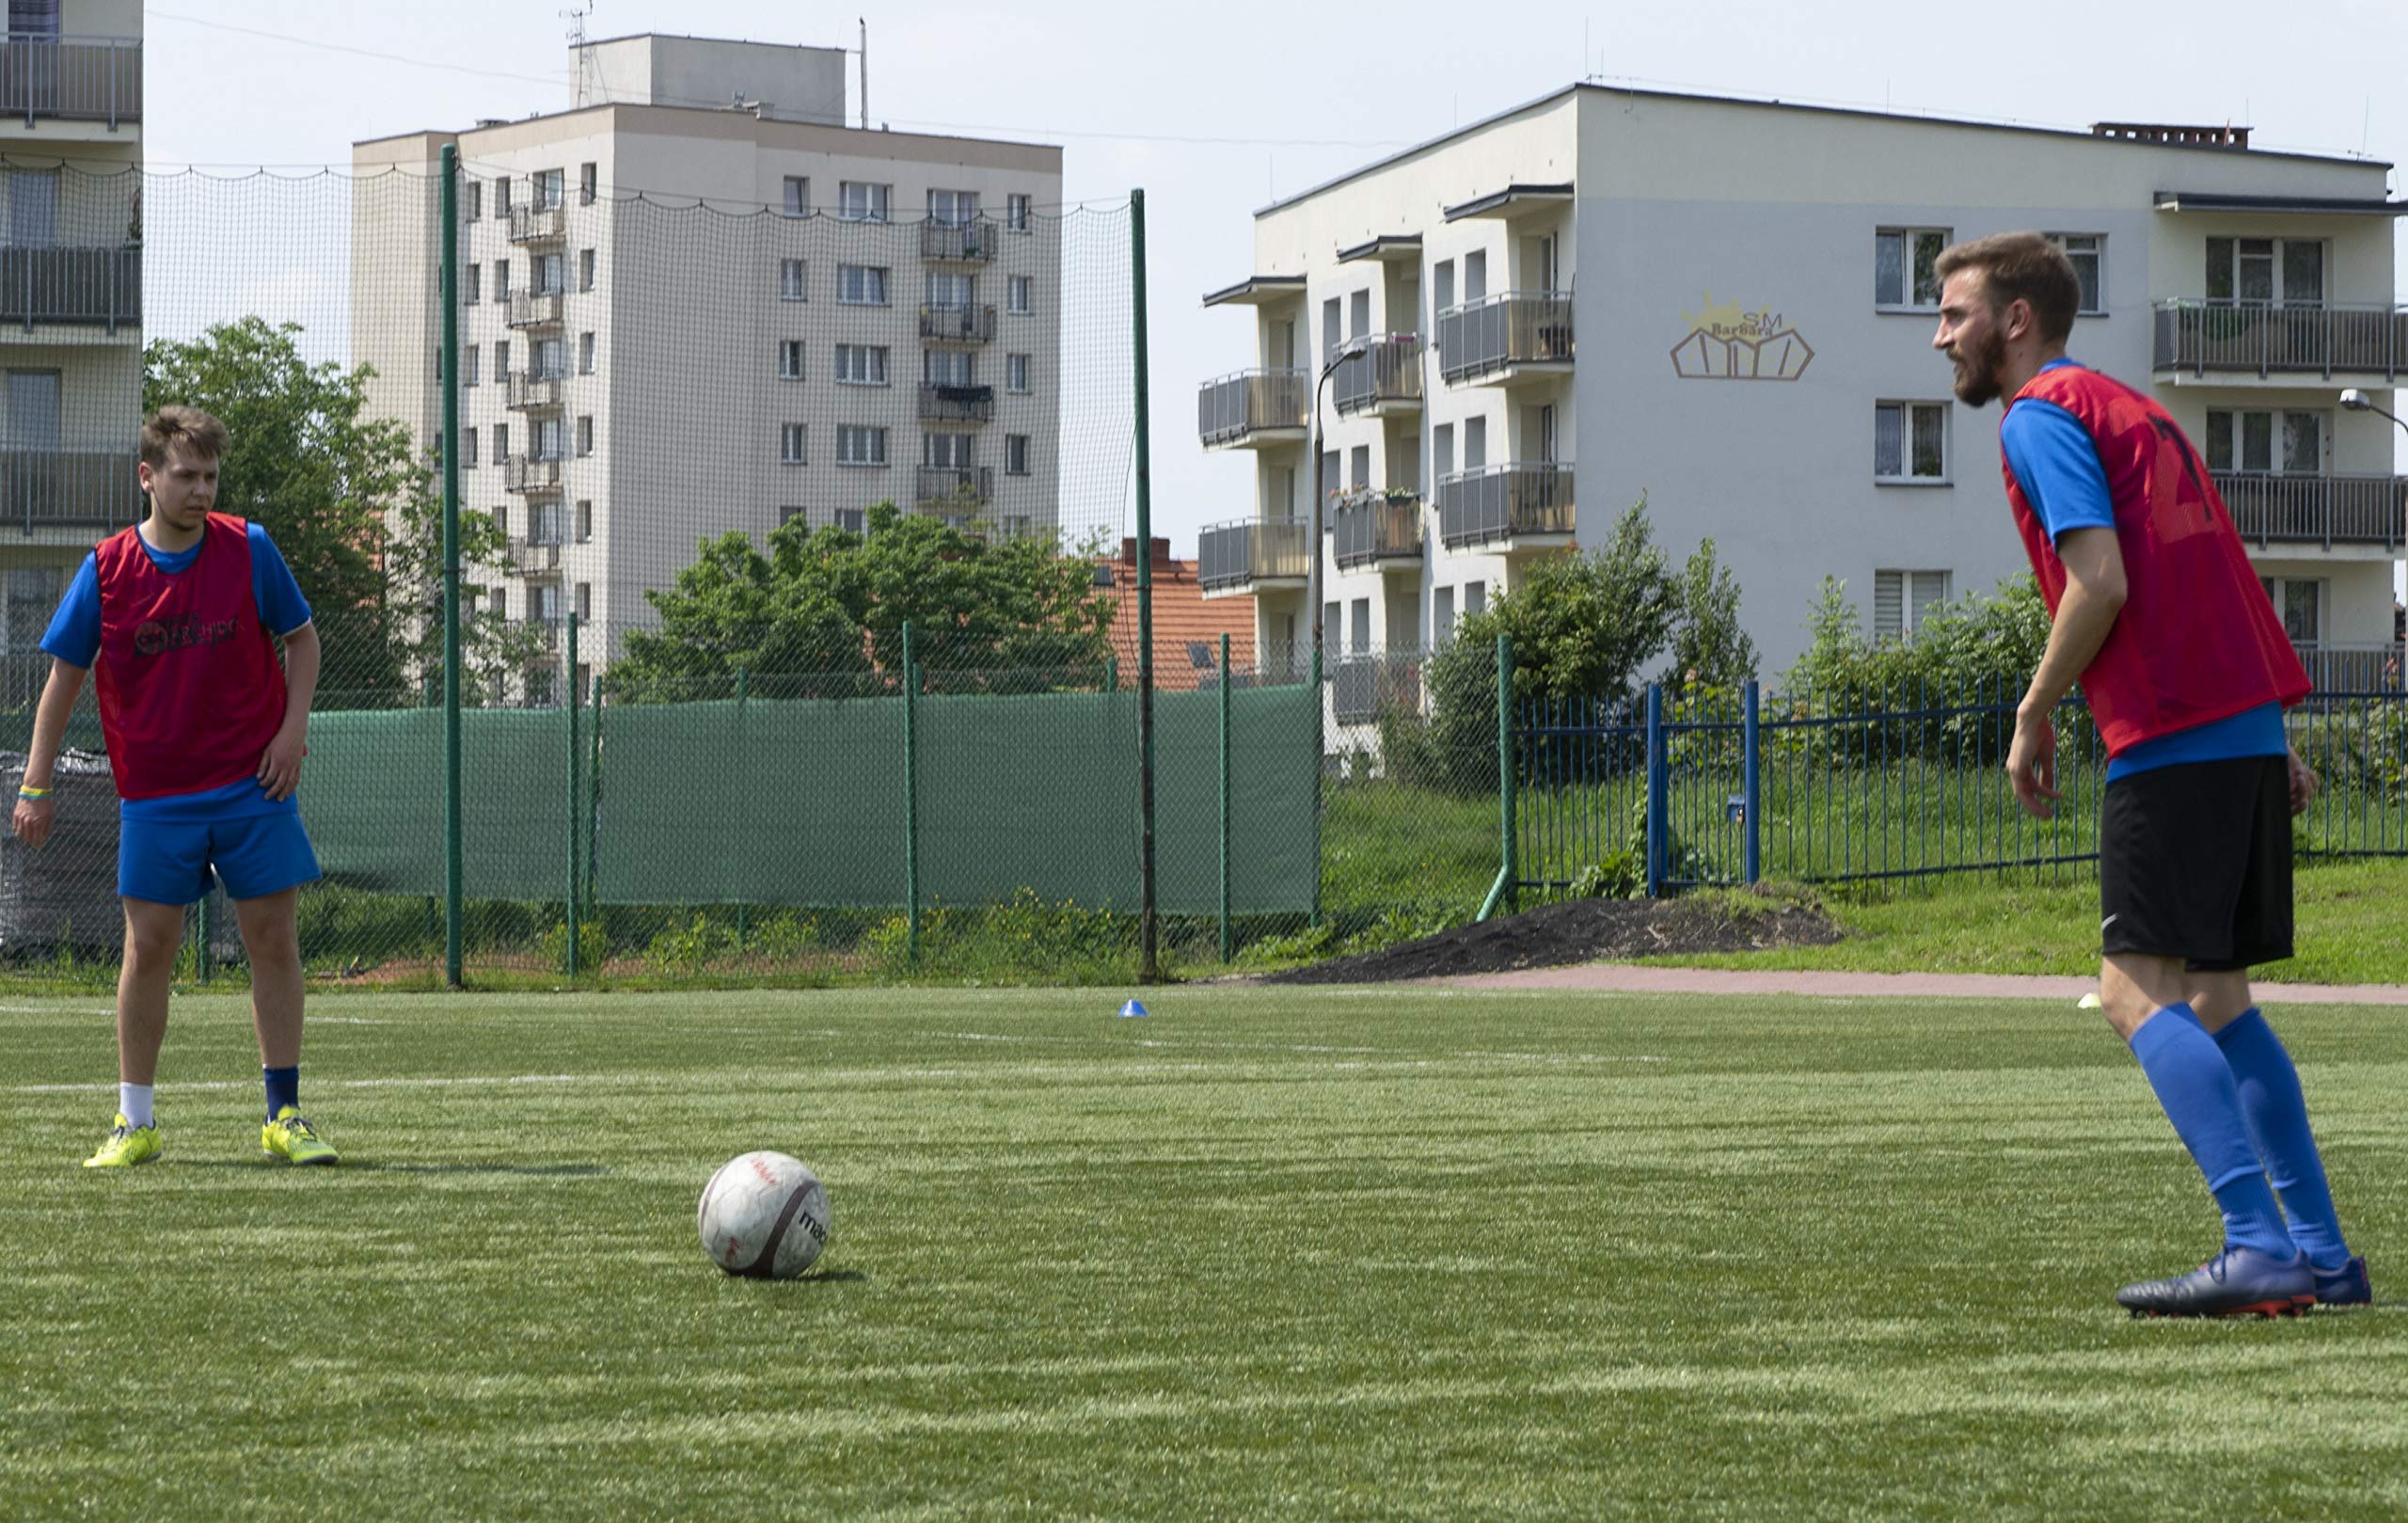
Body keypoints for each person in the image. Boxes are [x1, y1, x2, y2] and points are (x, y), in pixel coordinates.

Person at [1930, 232, 2365, 1317]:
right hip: (2236, 722)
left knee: (2132, 989)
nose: (1939, 336)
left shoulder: (2038, 416)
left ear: (2014, 319)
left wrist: (2032, 710)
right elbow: (2213, 565)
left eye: (1953, 313)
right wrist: (2270, 732)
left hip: (2171, 729)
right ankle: (2319, 1252)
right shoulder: (2134, 407)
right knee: (2217, 995)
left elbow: (2102, 580)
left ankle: (2257, 1242)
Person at [11, 405, 337, 1168]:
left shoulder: (249, 548)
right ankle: (136, 1122)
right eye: (187, 475)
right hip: (157, 795)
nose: (201, 490)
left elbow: (304, 640)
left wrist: (291, 733)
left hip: (253, 784)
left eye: (211, 477)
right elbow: (62, 681)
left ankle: (285, 1114)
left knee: (273, 939)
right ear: (147, 476)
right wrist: (35, 783)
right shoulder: (106, 569)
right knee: (149, 945)